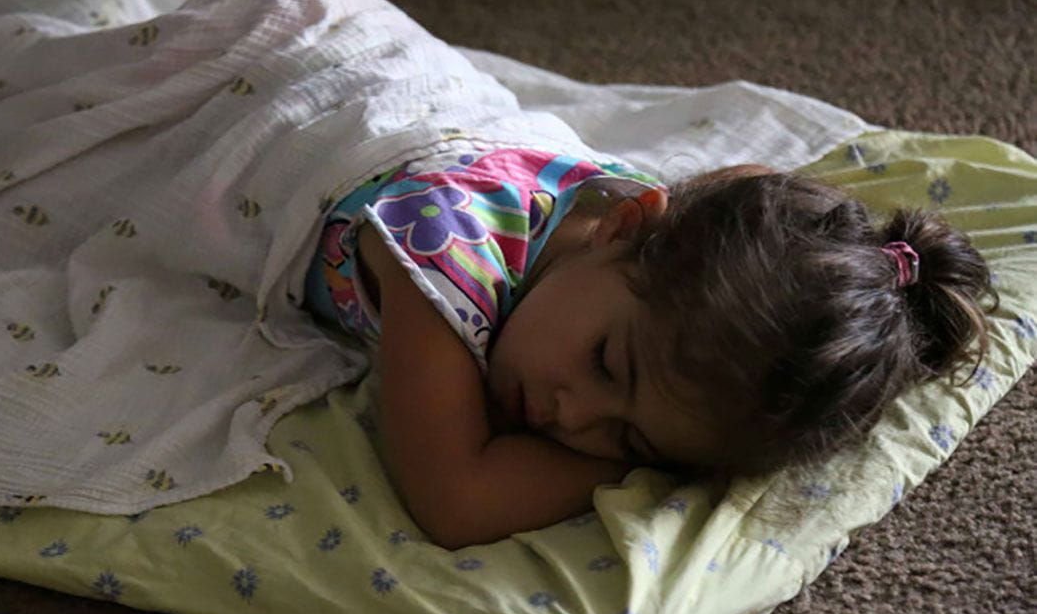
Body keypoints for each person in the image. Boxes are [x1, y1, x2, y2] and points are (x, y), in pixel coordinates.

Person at [304, 149, 995, 549]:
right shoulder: (439, 256)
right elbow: (457, 501)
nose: (568, 418)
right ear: (625, 221)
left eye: (628, 438)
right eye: (606, 362)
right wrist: (688, 471)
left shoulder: (638, 258)